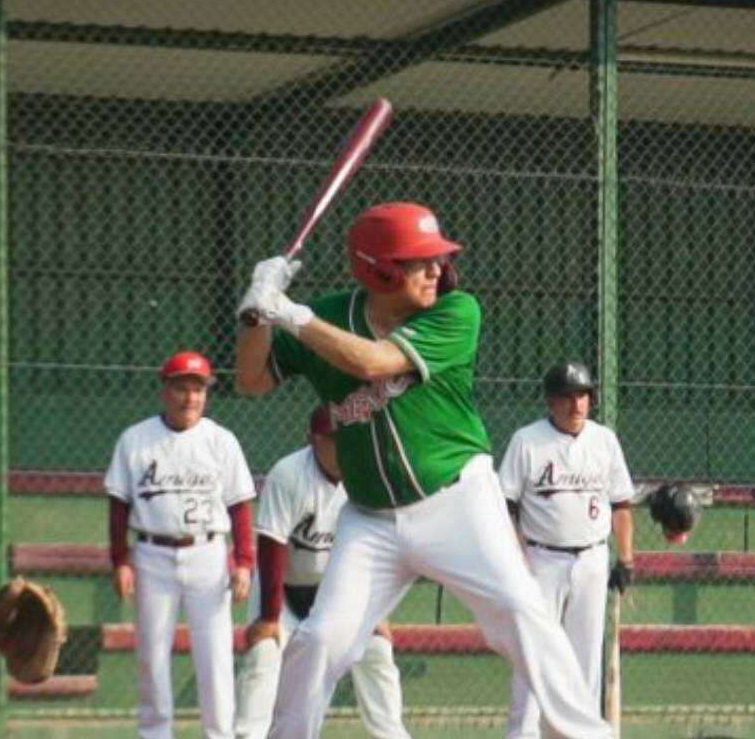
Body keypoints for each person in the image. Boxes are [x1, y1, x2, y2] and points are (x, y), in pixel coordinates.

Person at [233, 201, 612, 739]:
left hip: (457, 500)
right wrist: (255, 316)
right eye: (420, 261)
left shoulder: (456, 311)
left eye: (437, 258)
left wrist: (289, 313)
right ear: (379, 270)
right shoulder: (329, 317)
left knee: (522, 613)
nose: (438, 269)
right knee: (321, 640)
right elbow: (251, 380)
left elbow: (372, 363)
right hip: (369, 519)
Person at [105, 350, 258, 739]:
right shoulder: (135, 440)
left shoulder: (220, 441)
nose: (190, 398)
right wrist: (120, 559)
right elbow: (119, 506)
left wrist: (243, 561)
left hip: (207, 553)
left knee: (215, 656)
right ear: (165, 390)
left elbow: (240, 506)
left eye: (198, 389)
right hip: (152, 554)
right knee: (152, 655)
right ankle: (154, 733)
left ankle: (218, 735)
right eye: (181, 388)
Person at [235, 405, 409, 739]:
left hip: (334, 592)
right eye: (333, 439)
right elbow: (272, 546)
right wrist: (269, 618)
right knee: (264, 655)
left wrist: (377, 611)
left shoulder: (368, 476)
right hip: (281, 590)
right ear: (312, 440)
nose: (342, 447)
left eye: (348, 438)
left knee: (376, 652)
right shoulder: (289, 473)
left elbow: (379, 549)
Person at [499, 362, 636, 739]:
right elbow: (505, 507)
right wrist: (517, 558)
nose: (577, 405)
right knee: (532, 653)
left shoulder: (604, 440)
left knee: (584, 661)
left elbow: (621, 504)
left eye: (583, 395)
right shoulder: (527, 441)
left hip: (593, 558)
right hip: (541, 560)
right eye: (567, 396)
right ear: (550, 400)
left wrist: (625, 558)